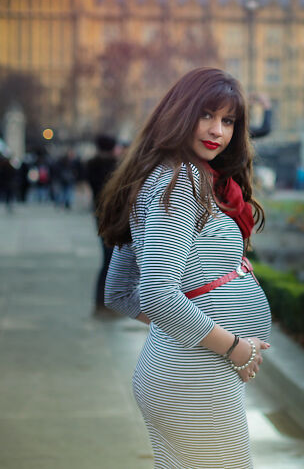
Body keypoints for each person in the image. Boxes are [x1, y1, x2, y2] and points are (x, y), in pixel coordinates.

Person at [98, 67, 272, 467]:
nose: (217, 131)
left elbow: (119, 293)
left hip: (182, 373)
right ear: (179, 113)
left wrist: (192, 333)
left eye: (228, 121)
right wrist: (233, 346)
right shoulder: (180, 181)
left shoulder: (170, 176)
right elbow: (158, 295)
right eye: (206, 115)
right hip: (194, 381)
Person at [86, 134, 120, 317]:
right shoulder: (113, 166)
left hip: (99, 214)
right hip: (113, 216)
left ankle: (101, 302)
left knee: (106, 260)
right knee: (111, 261)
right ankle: (106, 304)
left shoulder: (91, 164)